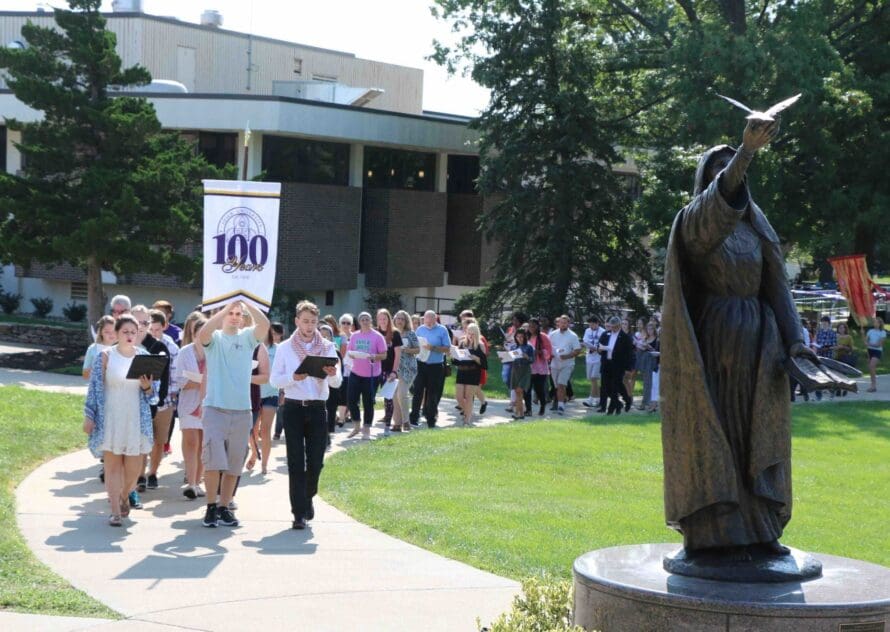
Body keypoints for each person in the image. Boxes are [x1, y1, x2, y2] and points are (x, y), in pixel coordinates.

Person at [660, 118, 819, 561]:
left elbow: (778, 288)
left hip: (760, 342)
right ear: (705, 179)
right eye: (718, 167)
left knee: (759, 435)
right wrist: (747, 151)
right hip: (718, 338)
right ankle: (716, 529)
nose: (728, 173)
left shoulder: (757, 227)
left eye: (733, 165)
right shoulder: (695, 221)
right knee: (723, 429)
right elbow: (720, 201)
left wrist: (796, 342)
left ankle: (760, 526)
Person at [270, 301, 342, 529]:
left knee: (316, 461)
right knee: (295, 461)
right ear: (297, 321)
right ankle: (298, 512)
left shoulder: (328, 347)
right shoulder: (285, 348)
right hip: (293, 407)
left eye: (313, 321)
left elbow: (337, 381)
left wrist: (331, 374)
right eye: (305, 321)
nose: (309, 326)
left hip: (318, 406)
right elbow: (274, 381)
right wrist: (294, 377)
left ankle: (308, 494)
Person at [198, 300, 269, 528]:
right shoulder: (216, 339)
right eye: (232, 313)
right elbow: (203, 332)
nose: (235, 317)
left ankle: (224, 507)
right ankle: (210, 507)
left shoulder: (248, 338)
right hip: (215, 408)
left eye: (239, 314)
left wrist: (246, 300)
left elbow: (264, 324)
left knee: (233, 464)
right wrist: (224, 308)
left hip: (242, 410)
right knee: (213, 462)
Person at [83, 315, 154, 526]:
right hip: (111, 417)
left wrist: (147, 387)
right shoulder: (105, 356)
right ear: (117, 333)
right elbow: (94, 389)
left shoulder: (144, 357)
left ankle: (125, 495)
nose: (130, 336)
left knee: (134, 468)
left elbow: (153, 395)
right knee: (112, 467)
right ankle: (115, 510)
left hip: (134, 418)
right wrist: (89, 416)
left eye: (134, 332)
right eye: (126, 332)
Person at [173, 311, 208, 499]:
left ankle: (198, 480)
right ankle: (191, 482)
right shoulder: (184, 352)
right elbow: (179, 380)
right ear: (194, 334)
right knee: (191, 442)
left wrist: (204, 382)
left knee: (203, 445)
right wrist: (201, 381)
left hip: (208, 405)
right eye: (200, 333)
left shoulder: (215, 352)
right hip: (188, 404)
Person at [144, 309, 180, 489]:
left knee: (159, 440)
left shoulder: (171, 348)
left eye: (158, 329)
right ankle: (139, 474)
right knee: (143, 439)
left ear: (164, 327)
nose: (154, 333)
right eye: (151, 329)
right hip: (144, 401)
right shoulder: (143, 344)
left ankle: (153, 472)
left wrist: (170, 395)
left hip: (164, 403)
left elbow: (175, 376)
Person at [345, 312, 387, 440]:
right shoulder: (354, 336)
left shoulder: (377, 336)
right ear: (359, 321)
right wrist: (352, 354)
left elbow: (384, 355)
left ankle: (366, 429)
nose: (364, 321)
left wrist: (374, 356)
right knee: (351, 400)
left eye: (367, 319)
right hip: (356, 373)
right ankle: (357, 426)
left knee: (368, 402)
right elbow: (350, 352)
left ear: (371, 321)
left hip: (371, 375)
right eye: (362, 319)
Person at [410, 310, 452, 428]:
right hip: (421, 363)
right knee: (417, 391)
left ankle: (431, 418)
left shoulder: (442, 330)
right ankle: (414, 417)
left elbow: (447, 348)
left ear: (435, 319)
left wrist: (432, 348)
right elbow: (415, 344)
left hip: (436, 366)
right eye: (425, 320)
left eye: (429, 319)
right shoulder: (420, 329)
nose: (427, 322)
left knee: (432, 393)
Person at [452, 323, 488, 426]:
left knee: (468, 397)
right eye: (469, 333)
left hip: (473, 373)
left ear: (477, 334)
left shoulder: (480, 345)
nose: (470, 336)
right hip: (462, 372)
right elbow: (457, 361)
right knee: (459, 397)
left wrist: (476, 358)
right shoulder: (462, 343)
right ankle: (467, 411)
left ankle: (467, 419)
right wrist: (454, 356)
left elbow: (484, 365)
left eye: (473, 334)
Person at [599, 316, 634, 415]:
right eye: (611, 326)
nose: (613, 329)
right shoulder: (606, 334)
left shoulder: (625, 337)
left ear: (619, 326)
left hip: (618, 365)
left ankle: (611, 410)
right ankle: (621, 402)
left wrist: (628, 368)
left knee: (615, 386)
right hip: (606, 364)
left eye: (615, 327)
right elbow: (600, 347)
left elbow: (629, 353)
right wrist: (600, 349)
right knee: (606, 387)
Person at [375, 308, 402, 435]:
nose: (382, 321)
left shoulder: (395, 334)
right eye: (380, 319)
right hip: (375, 370)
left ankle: (387, 424)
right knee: (370, 396)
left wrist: (394, 371)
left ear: (389, 319)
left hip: (389, 370)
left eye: (384, 318)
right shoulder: (375, 333)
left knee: (388, 398)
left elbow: (398, 354)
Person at [391, 310, 419, 432]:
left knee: (401, 394)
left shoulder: (411, 334)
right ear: (395, 319)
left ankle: (406, 421)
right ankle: (397, 424)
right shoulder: (391, 333)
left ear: (406, 321)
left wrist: (406, 350)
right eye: (398, 318)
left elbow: (417, 350)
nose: (400, 321)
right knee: (394, 396)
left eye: (403, 319)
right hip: (394, 368)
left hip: (408, 368)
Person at [548, 315, 581, 415]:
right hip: (554, 364)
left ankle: (561, 406)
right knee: (557, 386)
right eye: (561, 322)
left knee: (561, 384)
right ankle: (560, 401)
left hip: (567, 364)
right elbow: (548, 347)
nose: (562, 324)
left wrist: (566, 356)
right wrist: (551, 354)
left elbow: (577, 350)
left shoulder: (573, 336)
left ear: (568, 324)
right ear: (558, 323)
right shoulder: (552, 334)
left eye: (565, 323)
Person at [525, 318, 552, 416]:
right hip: (528, 367)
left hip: (539, 368)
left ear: (537, 326)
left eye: (533, 326)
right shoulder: (526, 337)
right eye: (530, 326)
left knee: (539, 389)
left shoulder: (543, 337)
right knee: (526, 389)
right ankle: (528, 409)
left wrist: (539, 352)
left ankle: (542, 406)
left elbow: (549, 352)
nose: (531, 328)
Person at [510, 329, 534, 420]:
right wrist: (504, 358)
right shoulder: (513, 347)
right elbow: (510, 359)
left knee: (520, 390)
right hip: (515, 370)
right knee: (517, 392)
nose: (519, 338)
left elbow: (532, 360)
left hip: (525, 371)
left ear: (525, 337)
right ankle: (520, 413)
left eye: (521, 337)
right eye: (518, 337)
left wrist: (527, 357)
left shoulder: (529, 347)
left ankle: (518, 413)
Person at [581, 316, 605, 408]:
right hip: (589, 357)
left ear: (597, 323)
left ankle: (591, 399)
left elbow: (602, 345)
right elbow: (585, 341)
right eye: (589, 324)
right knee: (591, 379)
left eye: (593, 324)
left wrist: (596, 348)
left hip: (598, 358)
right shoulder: (587, 331)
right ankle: (598, 399)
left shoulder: (602, 331)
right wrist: (585, 345)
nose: (591, 326)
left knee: (594, 377)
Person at [83, 316, 116, 380]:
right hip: (97, 387)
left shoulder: (119, 348)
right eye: (107, 332)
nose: (111, 334)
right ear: (101, 332)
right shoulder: (92, 349)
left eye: (114, 331)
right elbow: (85, 375)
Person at [636, 321, 659, 411]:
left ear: (654, 329)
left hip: (652, 362)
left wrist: (649, 347)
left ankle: (649, 403)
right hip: (644, 361)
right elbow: (641, 350)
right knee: (645, 383)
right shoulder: (645, 338)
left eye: (651, 329)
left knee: (651, 383)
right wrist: (641, 346)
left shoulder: (657, 339)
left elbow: (656, 351)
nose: (649, 330)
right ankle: (645, 402)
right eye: (648, 329)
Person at [866, 317, 886, 392]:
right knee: (871, 369)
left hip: (877, 351)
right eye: (874, 322)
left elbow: (879, 345)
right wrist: (862, 335)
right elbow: (865, 341)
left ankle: (873, 386)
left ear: (880, 324)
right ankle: (872, 385)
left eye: (877, 322)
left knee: (871, 366)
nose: (875, 324)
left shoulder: (882, 332)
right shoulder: (870, 331)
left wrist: (869, 344)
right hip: (869, 351)